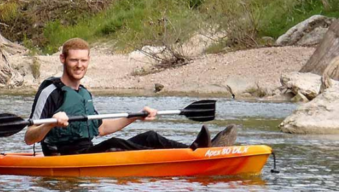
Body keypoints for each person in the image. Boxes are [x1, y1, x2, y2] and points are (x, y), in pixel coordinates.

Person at [23, 38, 237, 156]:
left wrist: (136, 116)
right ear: (63, 59)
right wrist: (51, 124)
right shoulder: (50, 90)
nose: (79, 65)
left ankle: (198, 151)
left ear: (88, 61)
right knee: (115, 143)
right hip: (63, 156)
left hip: (87, 150)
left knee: (150, 136)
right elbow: (29, 137)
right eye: (74, 60)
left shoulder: (85, 93)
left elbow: (101, 128)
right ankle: (187, 155)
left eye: (84, 61)